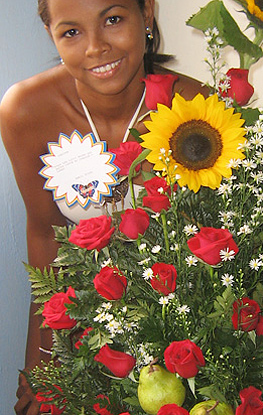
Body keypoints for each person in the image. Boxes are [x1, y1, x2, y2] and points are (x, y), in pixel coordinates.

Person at [0, 1, 208, 414]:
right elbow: (45, 236)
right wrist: (41, 368)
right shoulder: (26, 109)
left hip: (183, 336)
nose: (96, 47)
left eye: (112, 20)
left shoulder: (196, 108)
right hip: (87, 337)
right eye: (71, 32)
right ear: (51, 34)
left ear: (146, 14)